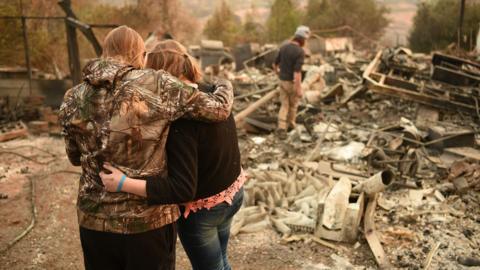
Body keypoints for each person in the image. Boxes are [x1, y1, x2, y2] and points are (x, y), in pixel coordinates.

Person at [59, 26, 234, 270]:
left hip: (94, 221)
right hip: (148, 223)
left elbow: (74, 157)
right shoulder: (157, 85)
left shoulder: (72, 97)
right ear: (140, 55)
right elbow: (219, 109)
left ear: (104, 52)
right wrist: (224, 84)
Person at [99, 40, 246, 270]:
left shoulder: (180, 121)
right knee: (222, 260)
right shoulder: (211, 95)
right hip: (234, 193)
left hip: (204, 211)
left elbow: (182, 189)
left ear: (159, 76)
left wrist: (123, 183)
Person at [274, 25, 311, 139]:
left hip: (282, 81)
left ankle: (281, 128)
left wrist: (278, 74)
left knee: (284, 105)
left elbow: (275, 64)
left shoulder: (284, 47)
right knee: (293, 105)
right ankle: (291, 125)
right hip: (291, 82)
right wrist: (299, 89)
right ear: (302, 39)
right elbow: (297, 73)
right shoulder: (300, 52)